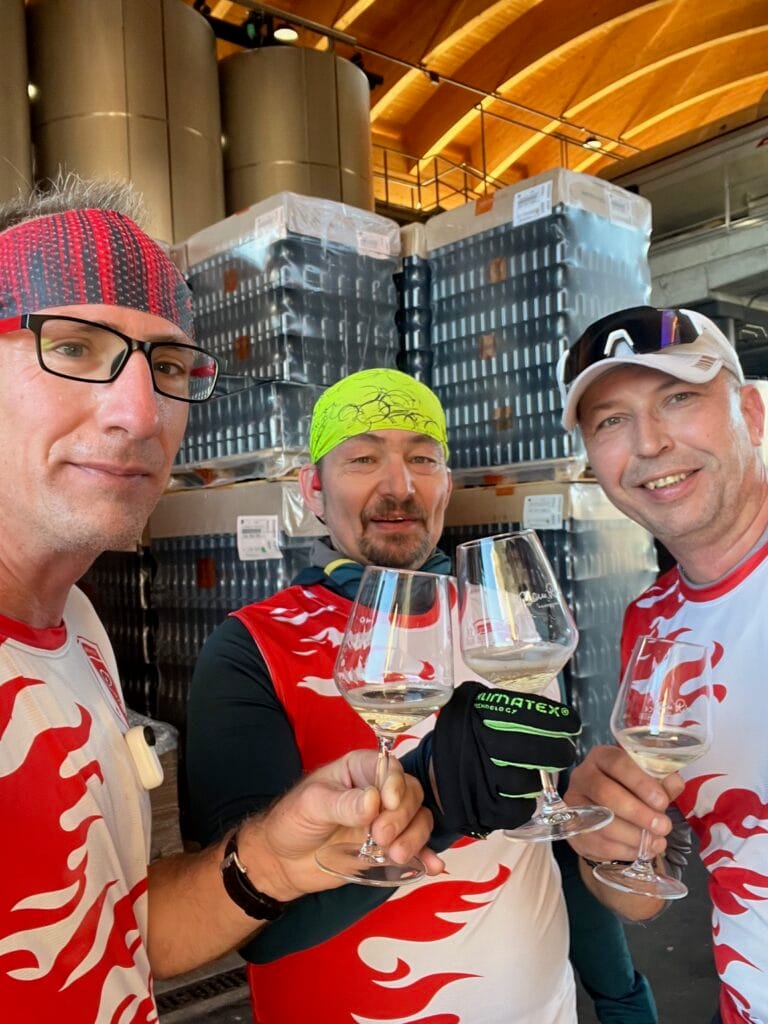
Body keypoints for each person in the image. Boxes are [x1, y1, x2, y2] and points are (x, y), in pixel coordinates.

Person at [0, 178, 441, 1023]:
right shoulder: (248, 642)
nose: (140, 413)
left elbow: (115, 934)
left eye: (167, 365)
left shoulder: (77, 626)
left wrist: (272, 858)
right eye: (76, 348)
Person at [186, 367, 654, 1024]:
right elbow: (247, 927)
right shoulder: (252, 646)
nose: (400, 486)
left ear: (446, 484)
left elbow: (553, 840)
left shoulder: (510, 627)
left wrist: (621, 995)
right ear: (313, 489)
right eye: (363, 458)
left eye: (423, 459)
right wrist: (436, 797)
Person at [557, 306, 768, 1024]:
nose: (649, 443)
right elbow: (648, 896)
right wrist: (606, 846)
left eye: (679, 397)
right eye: (611, 421)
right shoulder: (653, 622)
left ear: (750, 413)